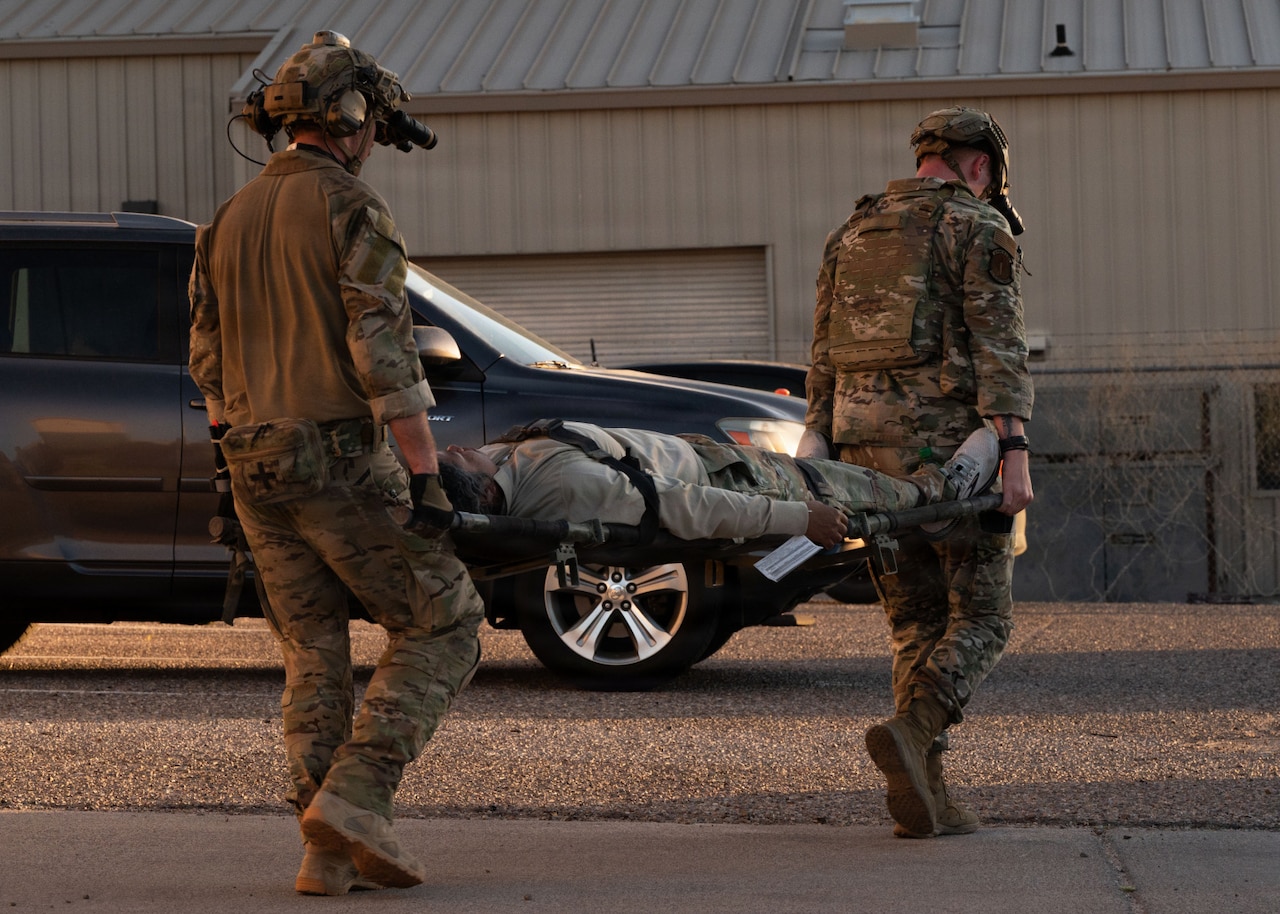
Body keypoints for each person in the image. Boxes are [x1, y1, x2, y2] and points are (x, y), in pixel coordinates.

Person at [188, 31, 484, 895]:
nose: (375, 137)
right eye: (372, 122)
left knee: (313, 650)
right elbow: (384, 352)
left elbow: (206, 365)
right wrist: (424, 476)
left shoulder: (226, 220)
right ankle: (358, 798)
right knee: (445, 621)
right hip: (339, 462)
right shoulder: (351, 205)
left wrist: (237, 458)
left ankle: (324, 851)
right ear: (351, 116)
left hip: (253, 466)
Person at [800, 106, 1035, 839]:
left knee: (914, 622)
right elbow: (999, 349)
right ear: (980, 165)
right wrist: (1015, 454)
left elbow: (822, 358)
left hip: (862, 459)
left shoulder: (850, 232)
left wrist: (818, 450)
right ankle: (917, 727)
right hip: (953, 461)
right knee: (984, 618)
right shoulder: (978, 226)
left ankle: (927, 797)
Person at [436, 419, 999, 547]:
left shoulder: (504, 467)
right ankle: (941, 492)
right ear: (484, 492)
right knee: (851, 489)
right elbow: (689, 507)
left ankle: (811, 474)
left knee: (813, 473)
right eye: (456, 459)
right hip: (728, 479)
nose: (458, 447)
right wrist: (801, 518)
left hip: (699, 454)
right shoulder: (570, 487)